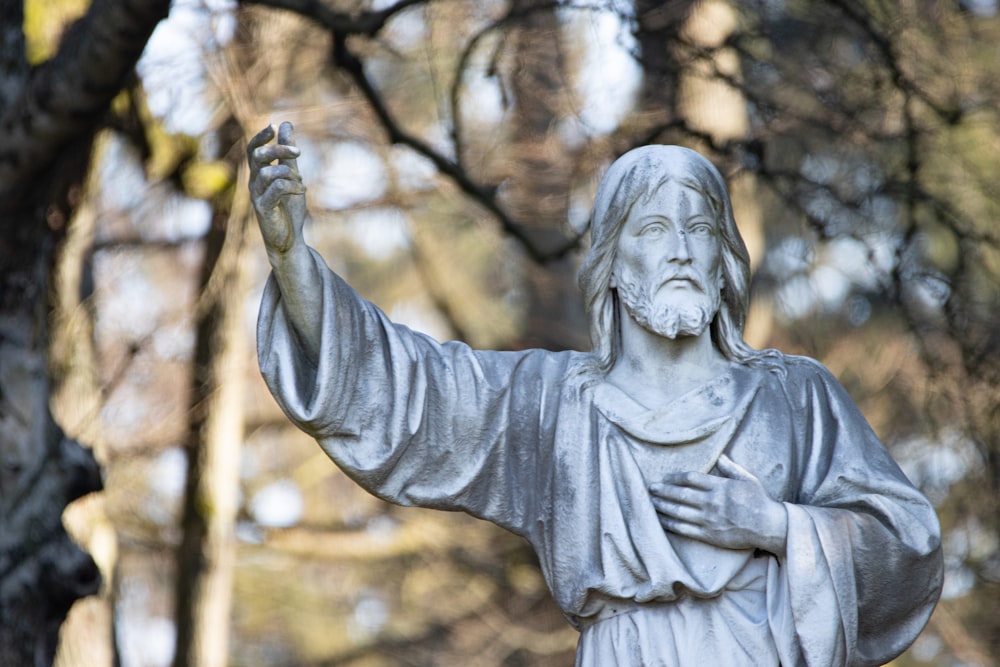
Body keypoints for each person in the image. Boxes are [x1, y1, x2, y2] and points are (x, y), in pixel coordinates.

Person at [248, 122, 943, 666]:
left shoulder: (795, 398)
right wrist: (293, 263)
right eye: (653, 228)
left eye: (699, 230)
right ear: (613, 261)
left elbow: (907, 545)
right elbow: (407, 389)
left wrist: (778, 527)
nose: (679, 250)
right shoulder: (553, 403)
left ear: (723, 259)